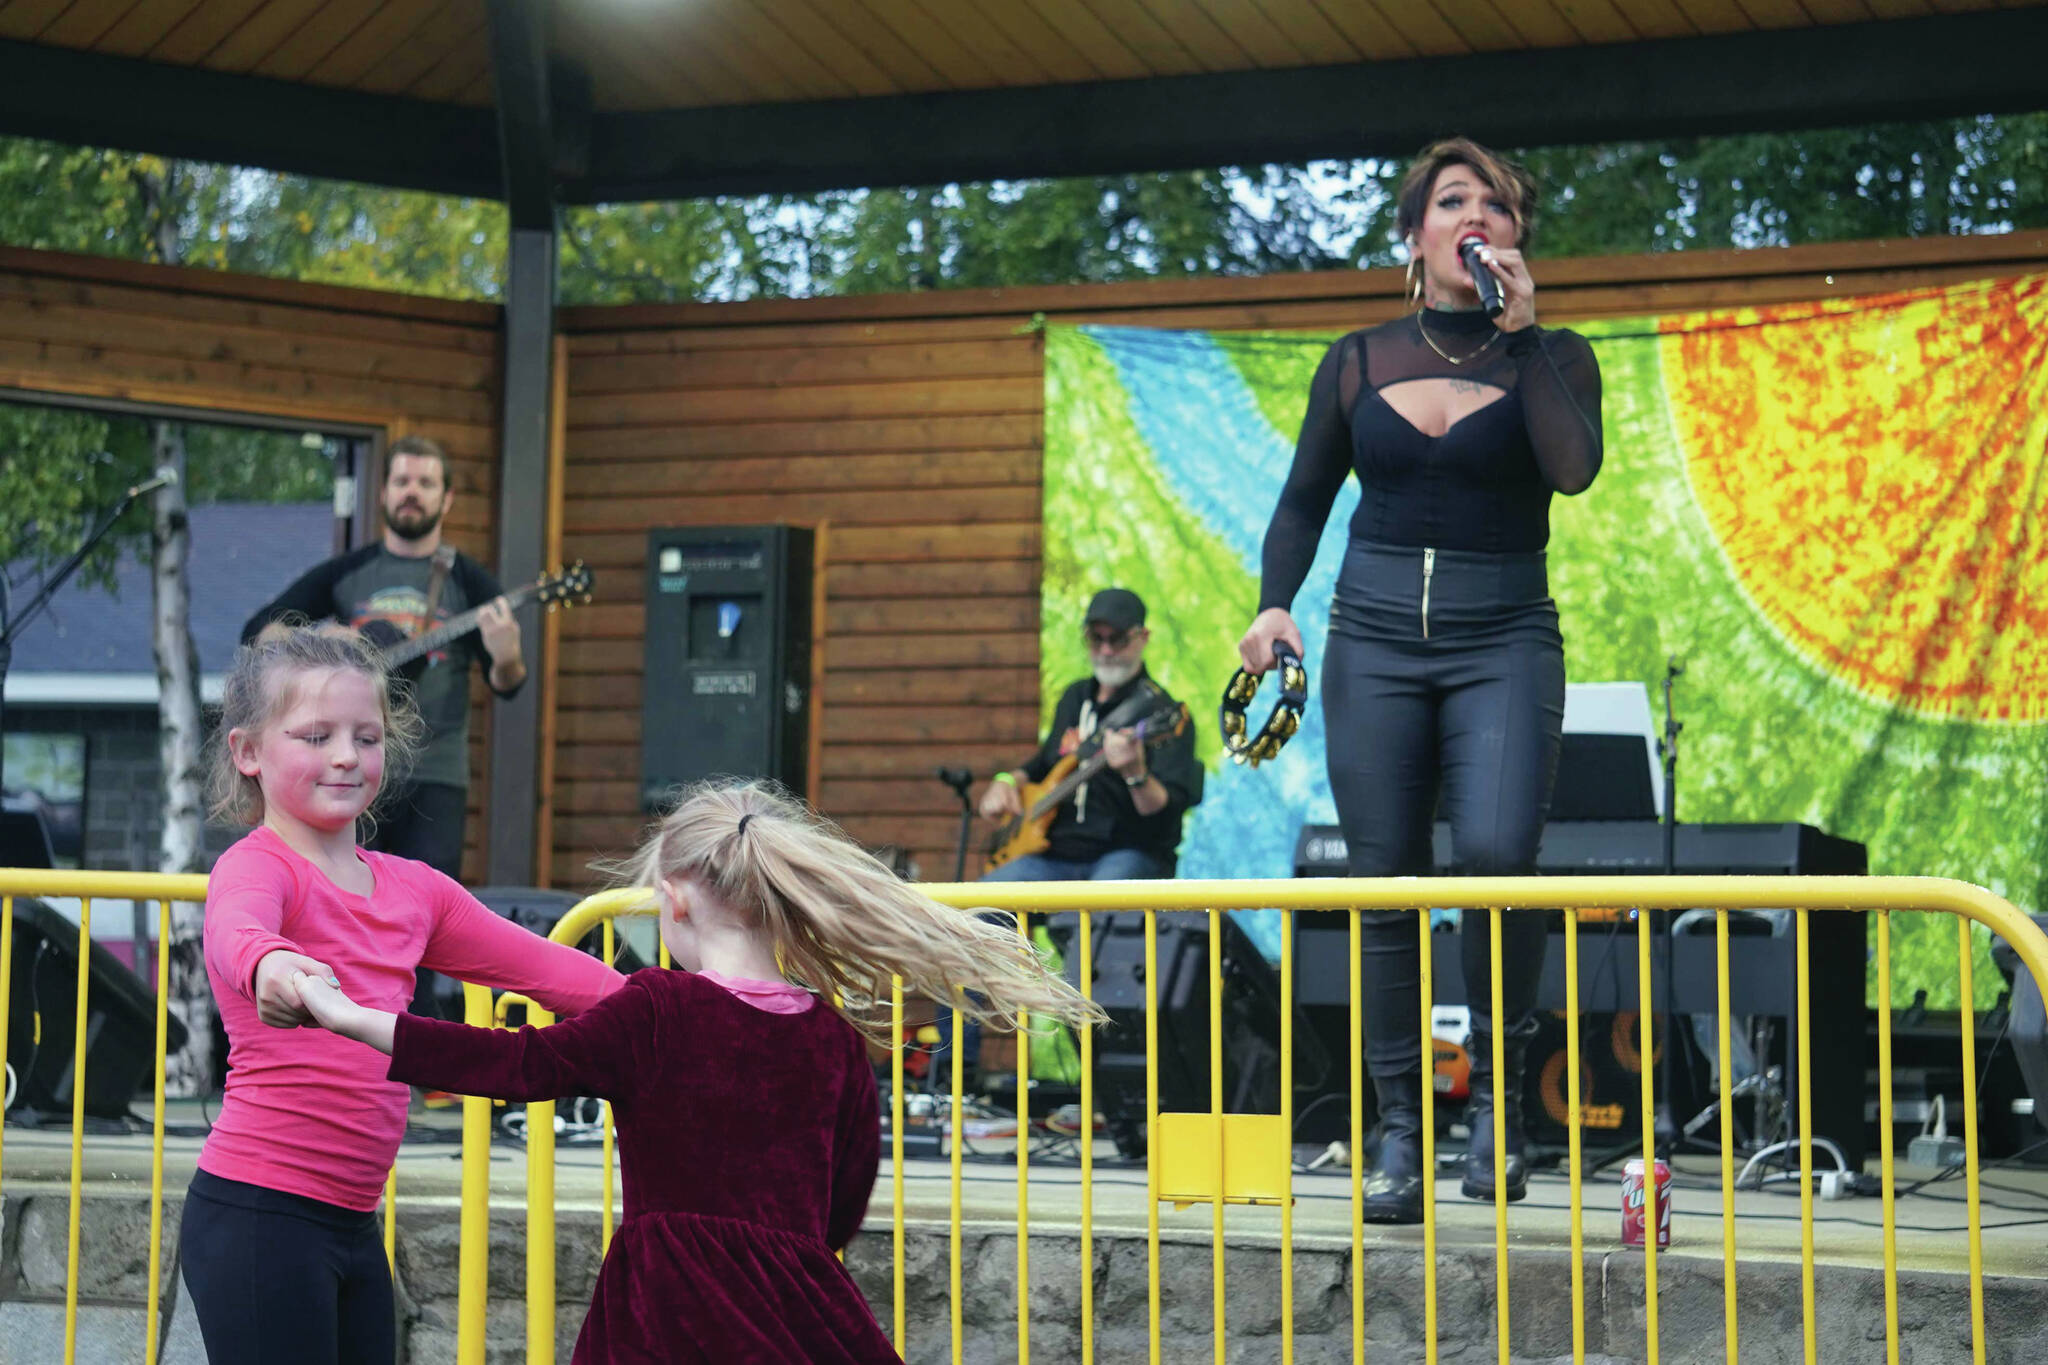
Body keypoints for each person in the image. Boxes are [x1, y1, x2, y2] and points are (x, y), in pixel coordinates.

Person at [290, 779, 1106, 1364]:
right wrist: (785, 1253)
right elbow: (848, 1191)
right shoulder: (829, 1035)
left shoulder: (656, 1009)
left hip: (666, 1304)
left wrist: (357, 1018)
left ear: (675, 900)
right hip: (797, 1304)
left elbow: (516, 1063)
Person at [1237, 138, 1603, 1224]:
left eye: (1495, 203)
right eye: (1452, 200)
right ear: (1414, 236)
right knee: (1385, 880)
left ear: (1512, 239)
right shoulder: (1355, 359)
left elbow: (1572, 470)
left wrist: (1521, 333)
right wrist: (1272, 602)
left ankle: (1498, 1109)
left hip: (1504, 637)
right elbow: (1303, 500)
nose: (1475, 214)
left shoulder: (1555, 354)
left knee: (1493, 861)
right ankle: (1398, 1131)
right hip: (1374, 641)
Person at [179, 623, 624, 1364]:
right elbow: (236, 931)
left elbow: (556, 971)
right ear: (248, 751)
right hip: (260, 1216)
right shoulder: (258, 866)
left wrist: (691, 1009)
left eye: (367, 736)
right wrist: (275, 967)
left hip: (354, 1224)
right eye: (316, 735)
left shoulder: (416, 890)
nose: (347, 755)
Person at [242, 434, 525, 884]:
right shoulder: (348, 572)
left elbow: (507, 685)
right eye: (403, 481)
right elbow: (259, 632)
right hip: (350, 765)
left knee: (429, 908)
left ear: (446, 498)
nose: (412, 491)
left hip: (436, 772)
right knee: (345, 896)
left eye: (426, 483)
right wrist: (331, 640)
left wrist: (508, 657)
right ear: (384, 492)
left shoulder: (469, 582)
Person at [976, 587, 1203, 882]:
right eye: (1096, 639)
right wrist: (1005, 782)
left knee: (1107, 900)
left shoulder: (1164, 713)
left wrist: (1135, 774)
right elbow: (1043, 765)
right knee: (981, 904)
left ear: (1142, 637)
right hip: (1052, 855)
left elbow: (1166, 816)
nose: (1106, 651)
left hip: (1128, 852)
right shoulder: (1074, 697)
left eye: (1117, 639)